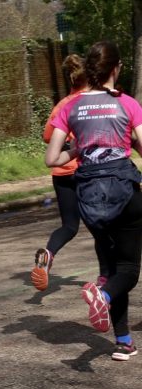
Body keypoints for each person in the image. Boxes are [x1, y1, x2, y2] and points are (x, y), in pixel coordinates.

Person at [45, 41, 142, 361]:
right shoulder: (127, 103)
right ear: (116, 69)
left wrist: (79, 150)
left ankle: (124, 341)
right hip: (124, 193)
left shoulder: (70, 108)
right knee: (127, 270)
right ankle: (101, 294)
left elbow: (52, 158)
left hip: (90, 199)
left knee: (113, 266)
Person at [31, 54, 114, 291]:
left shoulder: (63, 104)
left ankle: (48, 253)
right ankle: (105, 277)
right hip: (84, 170)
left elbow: (48, 136)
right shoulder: (92, 101)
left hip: (61, 172)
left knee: (69, 226)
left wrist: (66, 139)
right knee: (100, 227)